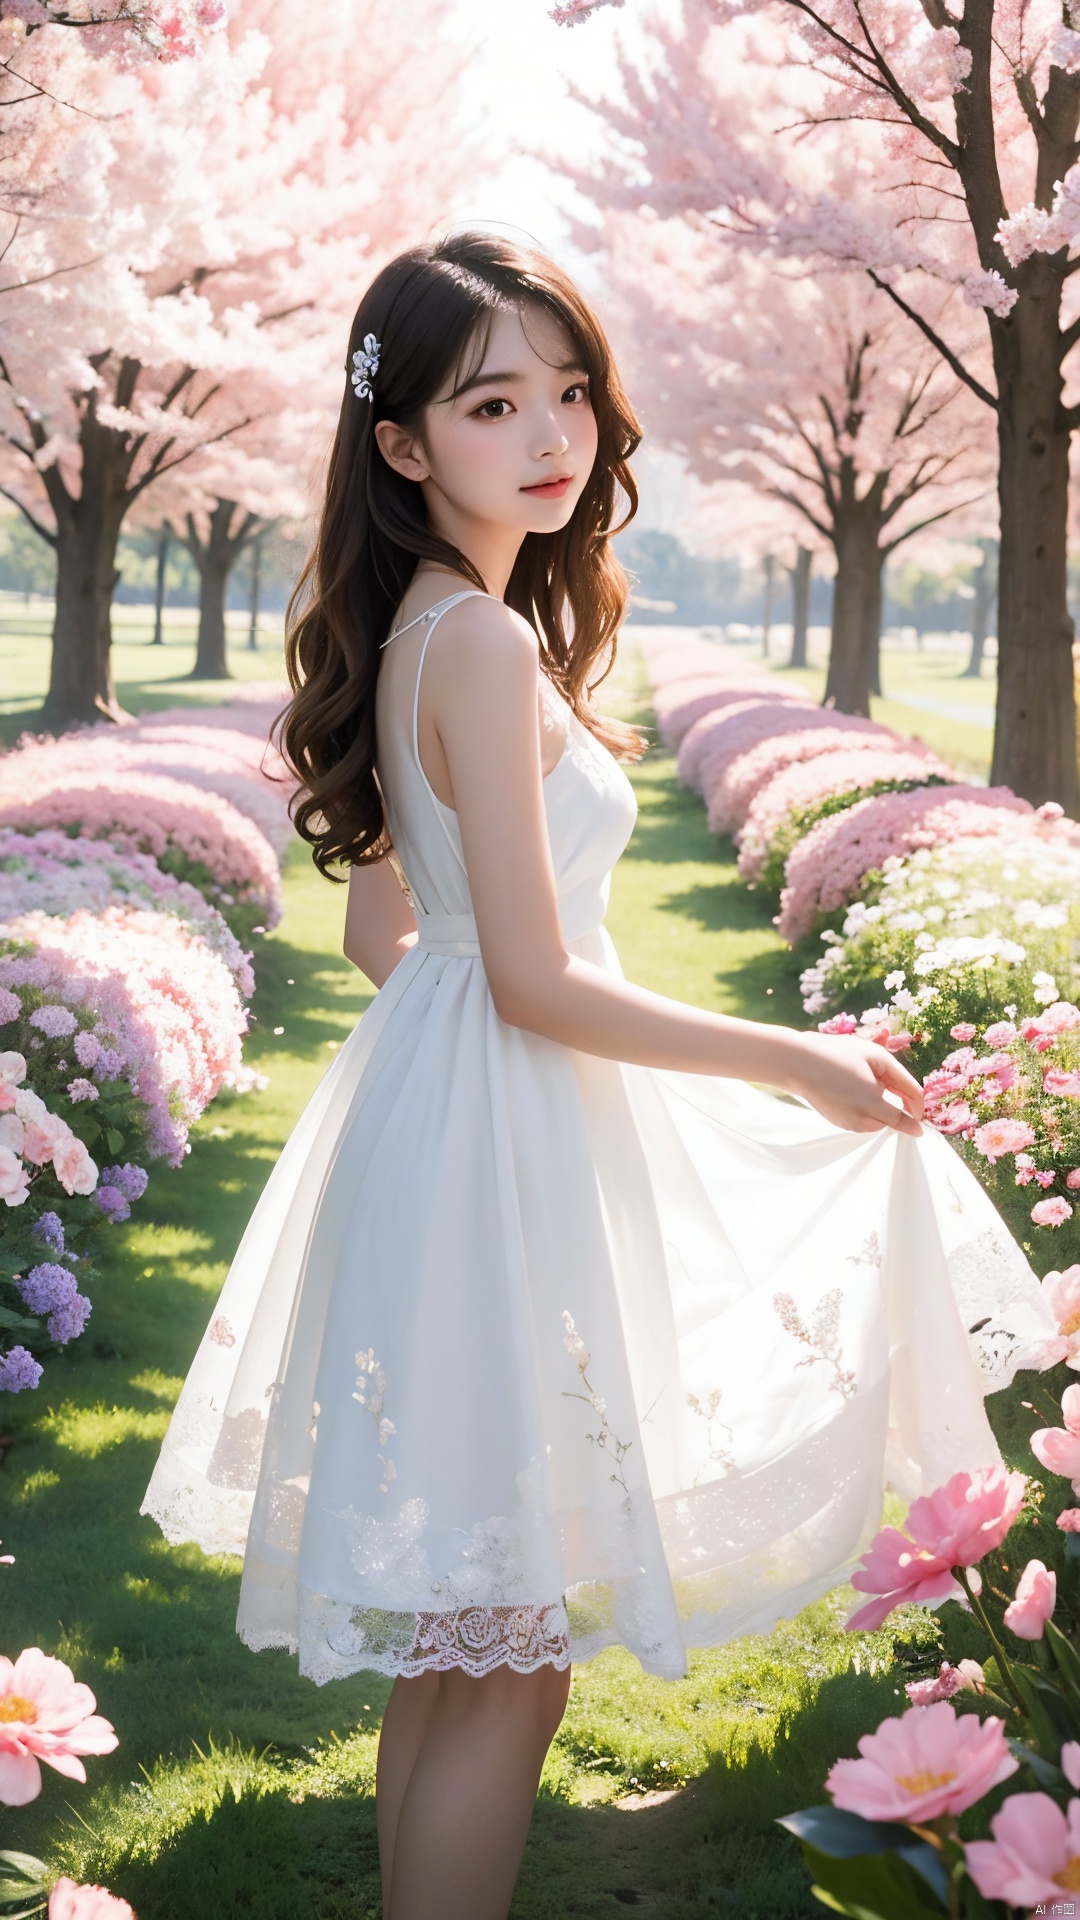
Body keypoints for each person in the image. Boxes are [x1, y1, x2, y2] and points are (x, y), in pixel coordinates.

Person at [142, 232, 1054, 1920]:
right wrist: (786, 1062)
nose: (551, 433)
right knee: (508, 1658)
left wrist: (462, 1058)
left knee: (469, 1648)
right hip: (490, 1130)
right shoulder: (479, 645)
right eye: (492, 402)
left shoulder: (430, 625)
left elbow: (378, 938)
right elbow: (540, 975)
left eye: (567, 390)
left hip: (456, 1118)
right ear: (404, 444)